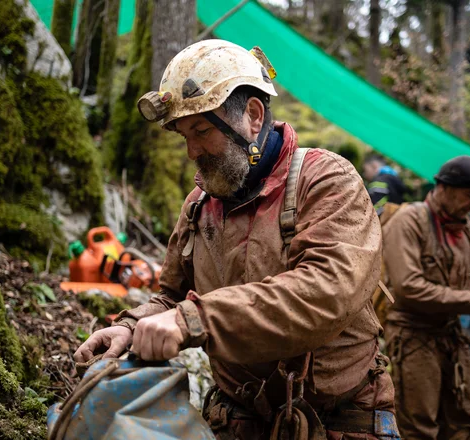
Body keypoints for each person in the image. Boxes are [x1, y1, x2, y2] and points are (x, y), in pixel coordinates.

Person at [74, 40, 399, 439]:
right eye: (183, 135)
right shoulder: (199, 205)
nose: (192, 150)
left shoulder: (327, 181)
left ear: (253, 115)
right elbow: (173, 297)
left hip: (340, 420)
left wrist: (192, 320)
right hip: (240, 417)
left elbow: (326, 292)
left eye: (202, 130)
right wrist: (130, 325)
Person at [382, 156, 470, 440]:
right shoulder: (408, 221)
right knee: (418, 424)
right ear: (444, 188)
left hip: (451, 335)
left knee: (464, 418)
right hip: (412, 336)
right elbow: (408, 288)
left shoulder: (466, 227)